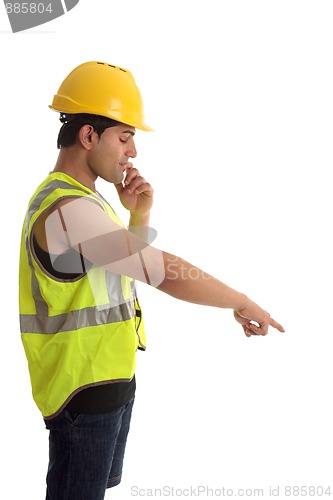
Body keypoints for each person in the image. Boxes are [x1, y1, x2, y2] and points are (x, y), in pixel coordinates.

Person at [19, 61, 285, 500]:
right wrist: (240, 300)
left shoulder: (85, 201)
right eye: (125, 137)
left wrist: (138, 215)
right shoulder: (68, 208)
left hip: (106, 381)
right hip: (81, 393)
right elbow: (159, 270)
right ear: (89, 136)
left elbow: (124, 272)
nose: (133, 152)